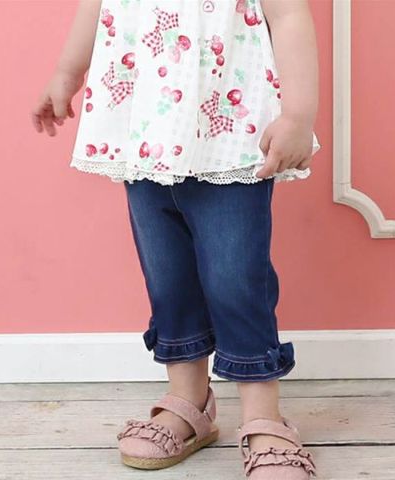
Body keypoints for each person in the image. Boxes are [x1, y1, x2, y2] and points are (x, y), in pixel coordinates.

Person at [31, 1, 321, 478]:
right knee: (167, 274)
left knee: (236, 276)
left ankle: (263, 415)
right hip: (143, 124)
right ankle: (190, 400)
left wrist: (299, 114)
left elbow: (289, 15)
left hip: (228, 131)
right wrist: (68, 70)